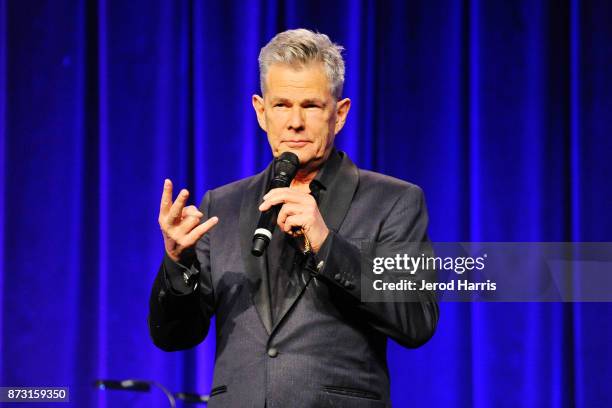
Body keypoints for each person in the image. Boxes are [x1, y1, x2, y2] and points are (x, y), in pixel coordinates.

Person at [148, 28, 438, 408]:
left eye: (312, 106)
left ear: (340, 113)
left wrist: (327, 245)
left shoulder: (393, 201)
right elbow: (174, 336)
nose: (295, 122)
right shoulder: (223, 204)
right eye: (282, 105)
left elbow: (416, 319)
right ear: (260, 111)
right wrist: (177, 263)